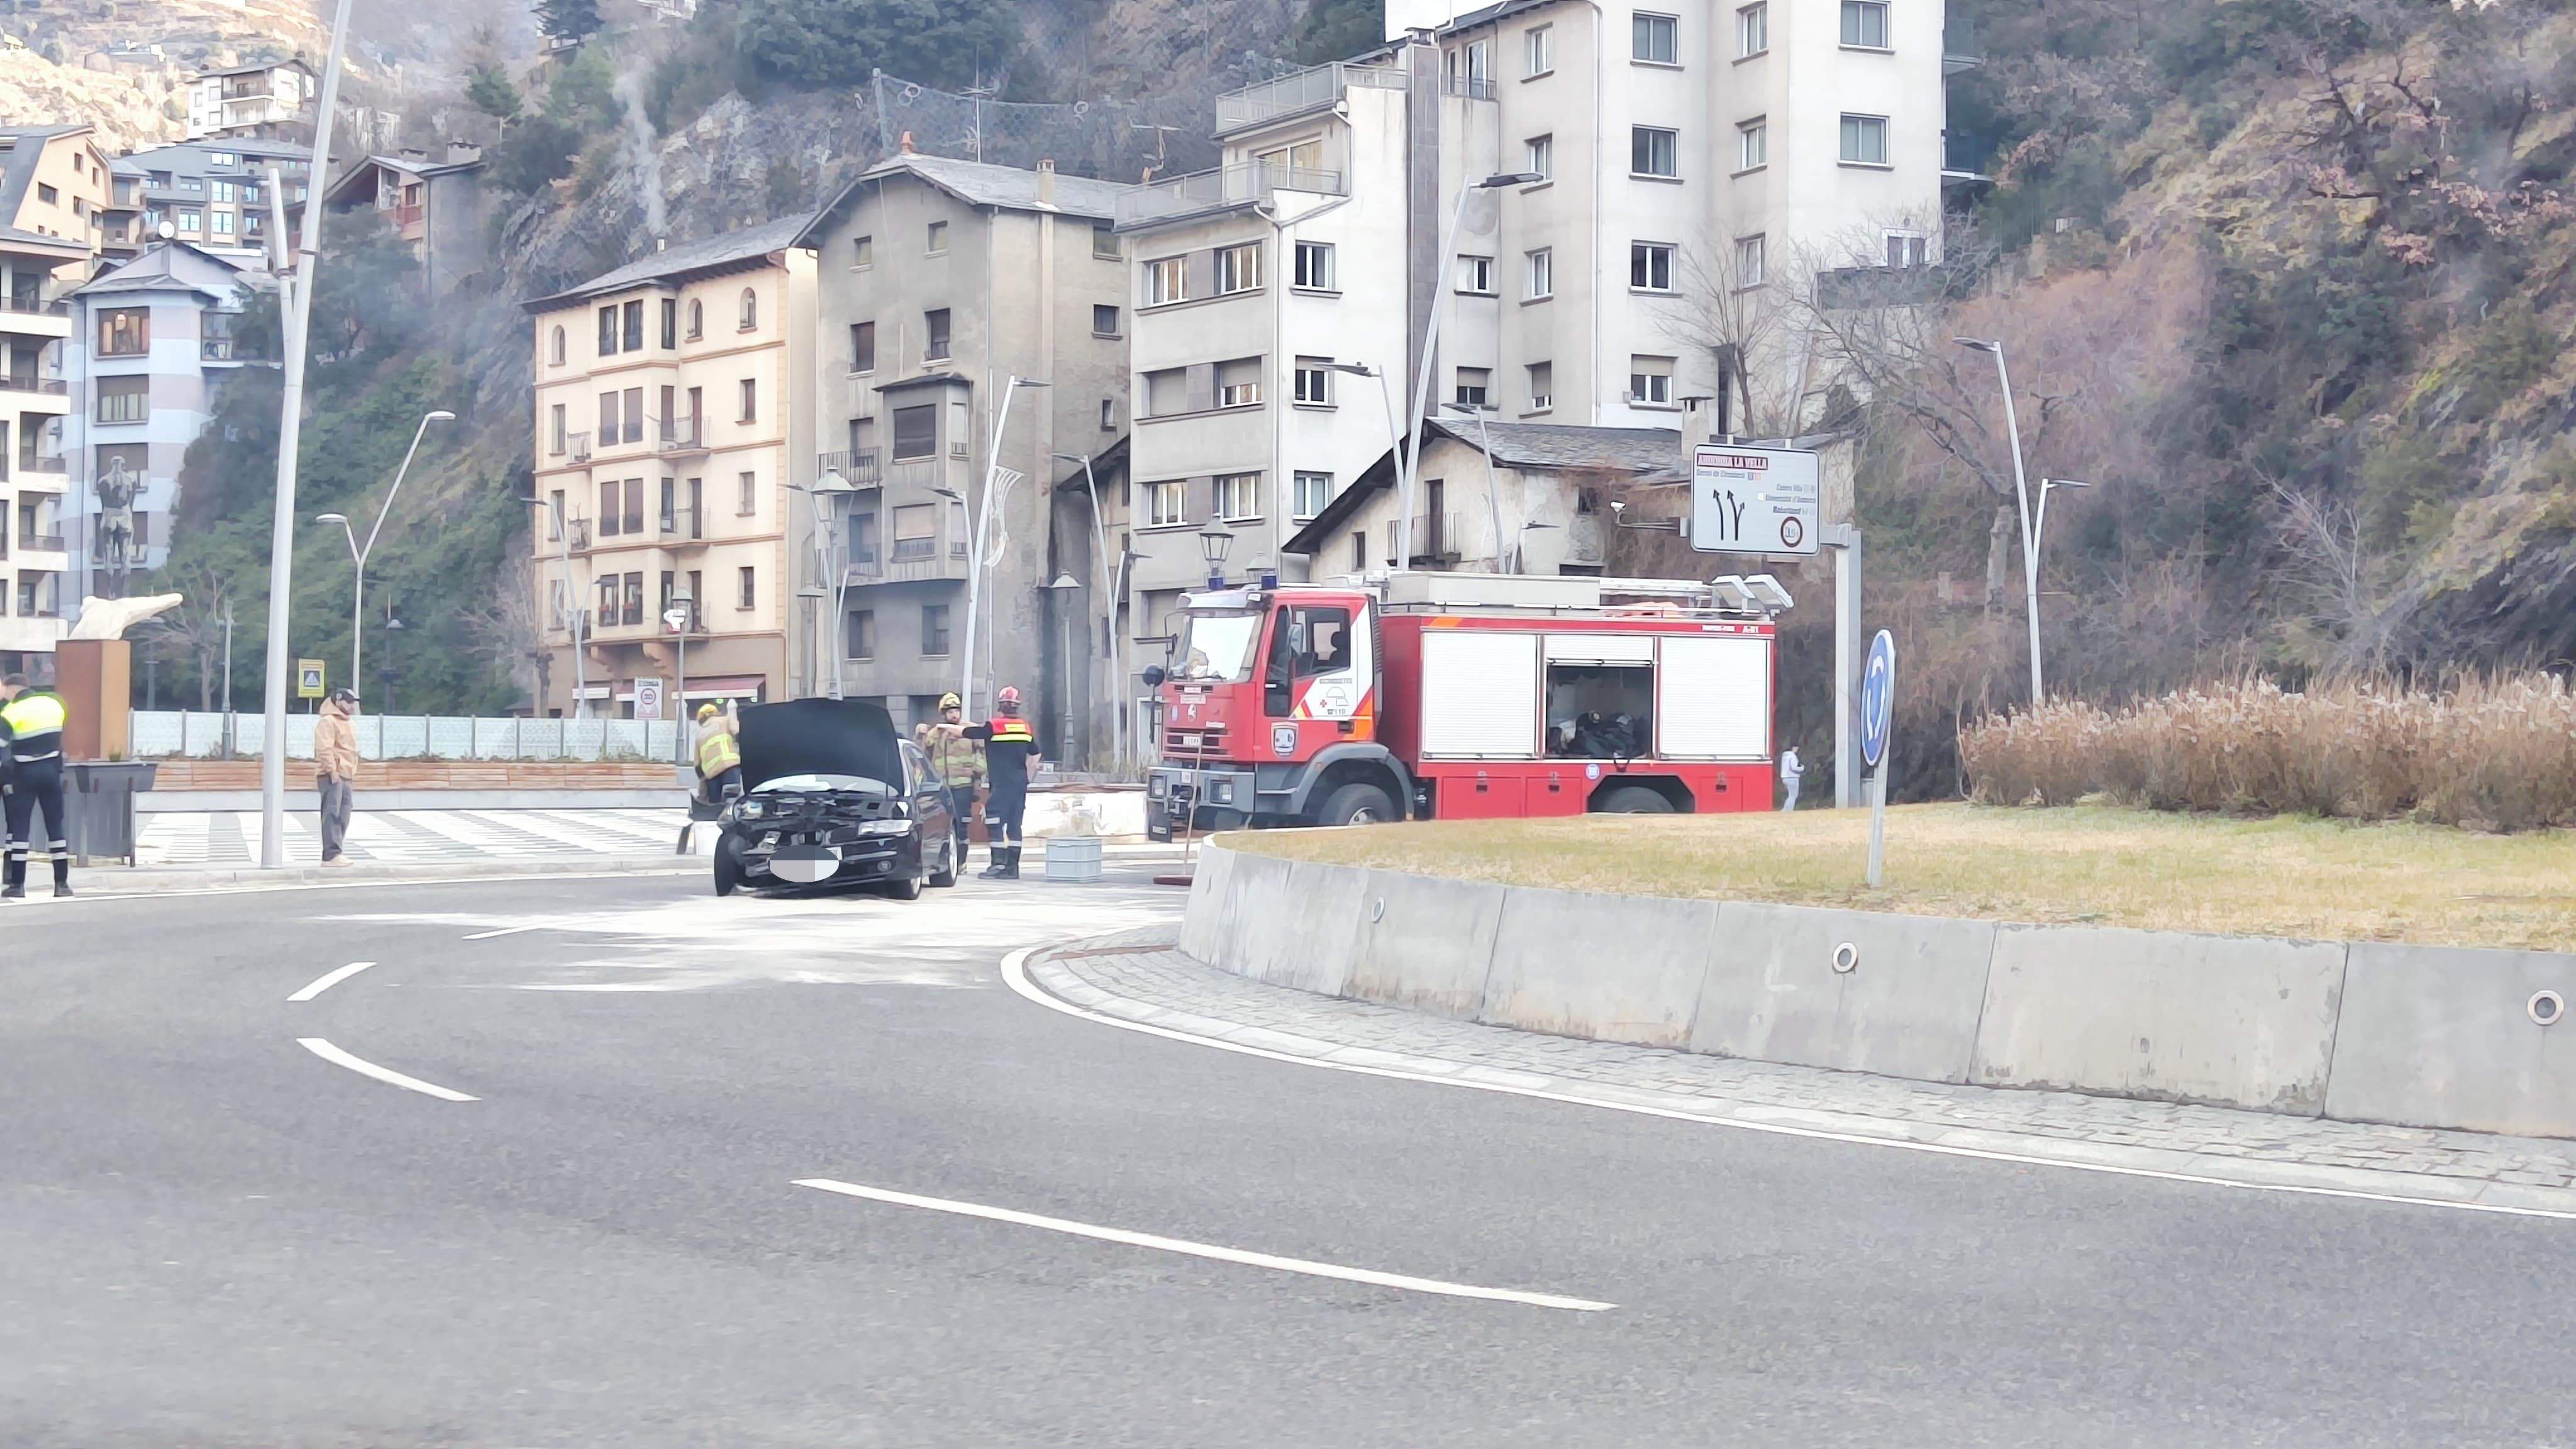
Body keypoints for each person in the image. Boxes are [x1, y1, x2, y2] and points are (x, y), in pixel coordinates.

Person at [0, 672, 70, 898]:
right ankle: (62, 884)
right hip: (51, 771)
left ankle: (17, 885)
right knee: (56, 828)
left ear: (12, 689)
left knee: (20, 829)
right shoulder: (54, 704)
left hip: (24, 773)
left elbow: (1, 746)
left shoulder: (10, 712)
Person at [964, 686, 1040, 880]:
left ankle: (998, 864)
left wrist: (945, 726)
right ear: (1016, 707)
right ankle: (1012, 868)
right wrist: (1029, 777)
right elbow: (1036, 754)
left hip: (1002, 783)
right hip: (1019, 783)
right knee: (1015, 825)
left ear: (1001, 706)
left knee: (994, 820)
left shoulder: (994, 726)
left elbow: (971, 732)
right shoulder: (1025, 727)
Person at [912, 692, 982, 879]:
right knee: (943, 825)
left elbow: (983, 755)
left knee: (962, 825)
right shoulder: (935, 734)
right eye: (950, 711)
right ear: (943, 714)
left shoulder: (971, 731)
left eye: (956, 710)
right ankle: (946, 861)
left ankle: (962, 862)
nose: (954, 715)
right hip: (942, 788)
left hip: (963, 786)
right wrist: (919, 734)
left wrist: (976, 775)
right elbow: (920, 754)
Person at [314, 687, 361, 866]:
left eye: (354, 703)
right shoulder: (328, 721)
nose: (352, 706)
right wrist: (332, 772)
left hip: (346, 775)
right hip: (333, 775)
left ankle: (336, 851)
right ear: (338, 701)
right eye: (349, 702)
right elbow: (324, 749)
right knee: (332, 814)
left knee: (344, 814)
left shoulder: (349, 723)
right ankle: (331, 854)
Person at [694, 701, 742, 802]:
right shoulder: (725, 721)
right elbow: (738, 733)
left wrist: (703, 782)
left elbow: (697, 765)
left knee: (714, 804)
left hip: (712, 775)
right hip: (731, 768)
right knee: (732, 797)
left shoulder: (699, 735)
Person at [1779, 744, 1804, 812]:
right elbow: (1793, 768)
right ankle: (1789, 810)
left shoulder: (1784, 756)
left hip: (1785, 777)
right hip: (1792, 777)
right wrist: (1801, 768)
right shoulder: (1792, 756)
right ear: (1794, 748)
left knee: (1790, 795)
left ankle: (1785, 809)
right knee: (1793, 796)